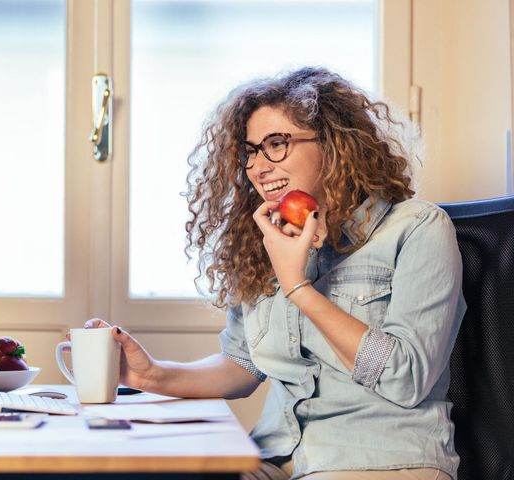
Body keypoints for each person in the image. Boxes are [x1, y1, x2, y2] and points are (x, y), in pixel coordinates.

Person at [85, 66, 465, 480]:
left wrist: (299, 287)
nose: (258, 167)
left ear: (335, 145)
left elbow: (406, 377)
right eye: (250, 151)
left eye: (277, 144)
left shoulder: (417, 229)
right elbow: (243, 366)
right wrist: (152, 374)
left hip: (380, 459)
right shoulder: (267, 238)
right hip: (277, 456)